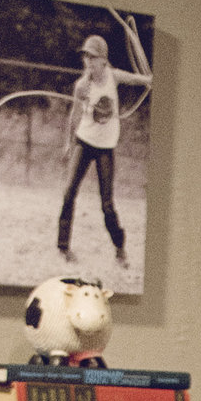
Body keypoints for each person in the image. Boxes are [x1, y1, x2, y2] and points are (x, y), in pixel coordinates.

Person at [56, 33, 126, 262]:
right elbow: (74, 115)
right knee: (69, 193)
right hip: (83, 142)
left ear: (103, 60)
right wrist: (68, 143)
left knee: (107, 204)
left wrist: (149, 80)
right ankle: (63, 248)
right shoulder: (82, 86)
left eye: (93, 57)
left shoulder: (113, 77)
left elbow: (137, 79)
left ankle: (119, 247)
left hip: (105, 147)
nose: (89, 61)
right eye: (86, 57)